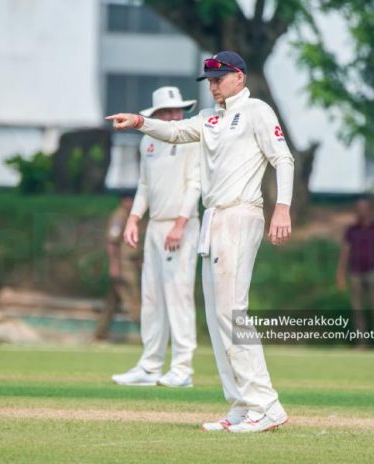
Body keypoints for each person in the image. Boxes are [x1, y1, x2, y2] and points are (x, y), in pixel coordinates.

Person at [107, 51, 293, 433]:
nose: (212, 86)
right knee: (215, 316)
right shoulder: (210, 118)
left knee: (232, 313)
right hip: (213, 218)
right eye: (209, 80)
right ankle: (241, 404)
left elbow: (283, 159)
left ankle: (266, 405)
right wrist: (141, 121)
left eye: (219, 79)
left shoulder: (257, 110)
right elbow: (175, 132)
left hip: (242, 213)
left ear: (238, 77)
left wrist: (283, 208)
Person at [111, 86, 201, 388]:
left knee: (178, 296)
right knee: (152, 297)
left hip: (182, 226)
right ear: (157, 115)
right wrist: (134, 218)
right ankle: (149, 366)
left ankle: (182, 369)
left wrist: (180, 224)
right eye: (170, 112)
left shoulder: (191, 138)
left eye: (179, 111)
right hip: (156, 226)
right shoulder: (149, 141)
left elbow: (195, 185)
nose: (176, 116)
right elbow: (145, 186)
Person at [336, 198, 374, 347]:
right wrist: (340, 273)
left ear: (369, 210)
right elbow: (345, 252)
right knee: (357, 309)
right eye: (358, 209)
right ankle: (361, 342)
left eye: (364, 208)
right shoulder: (351, 230)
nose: (361, 212)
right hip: (355, 272)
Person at [95, 192, 142, 341]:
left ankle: (100, 334)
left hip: (129, 264)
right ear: (124, 200)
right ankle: (149, 335)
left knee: (112, 302)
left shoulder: (130, 216)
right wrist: (114, 266)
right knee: (134, 300)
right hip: (124, 265)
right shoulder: (119, 216)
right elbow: (112, 242)